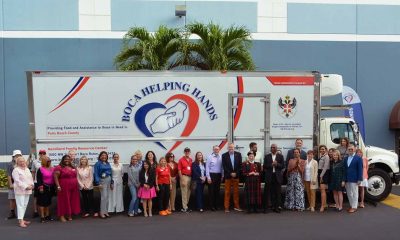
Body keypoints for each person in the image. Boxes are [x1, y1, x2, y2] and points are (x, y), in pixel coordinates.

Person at [54, 155, 81, 222]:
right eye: (65, 159)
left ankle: (69, 215)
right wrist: (58, 186)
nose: (67, 160)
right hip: (63, 186)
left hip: (74, 187)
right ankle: (61, 216)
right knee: (63, 201)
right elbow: (55, 177)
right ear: (63, 160)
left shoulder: (72, 167)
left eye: (68, 159)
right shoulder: (59, 167)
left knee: (71, 200)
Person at [12, 156, 34, 228]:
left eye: (23, 161)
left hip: (28, 190)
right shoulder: (16, 170)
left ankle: (21, 219)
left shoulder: (27, 169)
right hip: (20, 190)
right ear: (17, 163)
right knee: (20, 205)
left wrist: (32, 185)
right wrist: (26, 187)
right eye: (20, 161)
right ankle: (21, 221)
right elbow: (17, 181)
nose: (22, 162)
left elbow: (31, 178)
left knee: (24, 205)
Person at [263, 144, 284, 213]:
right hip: (269, 176)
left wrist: (277, 164)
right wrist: (271, 165)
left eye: (274, 147)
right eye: (271, 147)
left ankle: (276, 207)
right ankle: (266, 208)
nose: (272, 148)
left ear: (276, 148)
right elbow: (265, 166)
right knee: (267, 192)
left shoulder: (280, 156)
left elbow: (283, 166)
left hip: (277, 177)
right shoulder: (267, 156)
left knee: (277, 193)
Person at [222, 143, 243, 212]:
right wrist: (230, 173)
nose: (231, 149)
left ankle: (236, 206)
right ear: (227, 148)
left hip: (236, 176)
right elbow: (224, 166)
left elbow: (240, 166)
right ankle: (226, 207)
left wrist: (236, 173)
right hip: (228, 176)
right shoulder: (224, 155)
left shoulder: (238, 154)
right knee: (227, 192)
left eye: (232, 148)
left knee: (236, 192)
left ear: (234, 148)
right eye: (229, 148)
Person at [93, 151, 113, 219]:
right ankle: (101, 213)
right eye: (102, 155)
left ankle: (105, 211)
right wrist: (98, 183)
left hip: (109, 180)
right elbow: (96, 174)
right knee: (103, 197)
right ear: (100, 156)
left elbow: (110, 172)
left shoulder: (107, 163)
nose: (104, 156)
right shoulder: (97, 164)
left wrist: (111, 182)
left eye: (105, 155)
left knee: (107, 197)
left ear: (107, 157)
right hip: (102, 181)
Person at [344, 145, 363, 213]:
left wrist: (359, 179)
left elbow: (360, 169)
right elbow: (345, 169)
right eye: (349, 149)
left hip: (354, 178)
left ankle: (354, 207)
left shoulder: (358, 158)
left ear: (354, 149)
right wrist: (344, 179)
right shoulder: (346, 158)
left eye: (351, 149)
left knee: (355, 193)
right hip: (347, 178)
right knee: (349, 193)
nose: (350, 150)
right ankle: (352, 205)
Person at [36, 155, 55, 222]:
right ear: (44, 162)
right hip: (43, 187)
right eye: (48, 161)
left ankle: (47, 215)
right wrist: (41, 187)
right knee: (42, 203)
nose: (49, 162)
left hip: (51, 187)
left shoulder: (52, 168)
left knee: (48, 202)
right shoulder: (40, 169)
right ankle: (42, 217)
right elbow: (39, 179)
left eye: (50, 161)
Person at [206, 145, 224, 211]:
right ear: (213, 150)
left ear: (219, 150)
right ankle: (212, 206)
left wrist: (222, 175)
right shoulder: (210, 157)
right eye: (215, 149)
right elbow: (207, 167)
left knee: (217, 191)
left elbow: (222, 167)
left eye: (218, 149)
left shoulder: (221, 157)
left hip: (218, 175)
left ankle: (217, 205)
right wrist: (208, 177)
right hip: (212, 175)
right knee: (211, 192)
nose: (216, 150)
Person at [31, 149, 46, 218]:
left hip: (45, 182)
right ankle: (35, 211)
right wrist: (32, 182)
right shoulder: (35, 162)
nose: (42, 154)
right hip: (37, 181)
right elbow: (33, 172)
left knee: (45, 196)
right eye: (41, 153)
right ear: (39, 154)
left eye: (44, 153)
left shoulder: (47, 160)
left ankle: (45, 212)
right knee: (36, 197)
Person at [6, 150, 20, 220]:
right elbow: (9, 175)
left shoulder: (22, 163)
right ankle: (12, 212)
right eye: (16, 155)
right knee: (12, 198)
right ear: (13, 156)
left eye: (19, 155)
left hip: (20, 184)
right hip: (13, 183)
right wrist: (10, 184)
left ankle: (20, 214)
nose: (17, 157)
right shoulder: (10, 164)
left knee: (20, 199)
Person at [178, 147, 193, 212]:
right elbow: (179, 170)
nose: (187, 152)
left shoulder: (191, 159)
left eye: (188, 151)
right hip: (184, 177)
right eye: (186, 151)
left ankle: (186, 206)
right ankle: (184, 207)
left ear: (189, 152)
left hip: (190, 177)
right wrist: (182, 179)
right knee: (184, 193)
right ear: (184, 152)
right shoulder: (181, 160)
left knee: (188, 192)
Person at [318, 145, 330, 212]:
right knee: (322, 190)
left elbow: (325, 167)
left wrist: (321, 176)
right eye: (321, 149)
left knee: (322, 190)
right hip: (321, 173)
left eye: (323, 149)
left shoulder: (326, 156)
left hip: (324, 173)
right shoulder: (321, 156)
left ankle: (322, 206)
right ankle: (324, 204)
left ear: (326, 150)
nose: (322, 150)